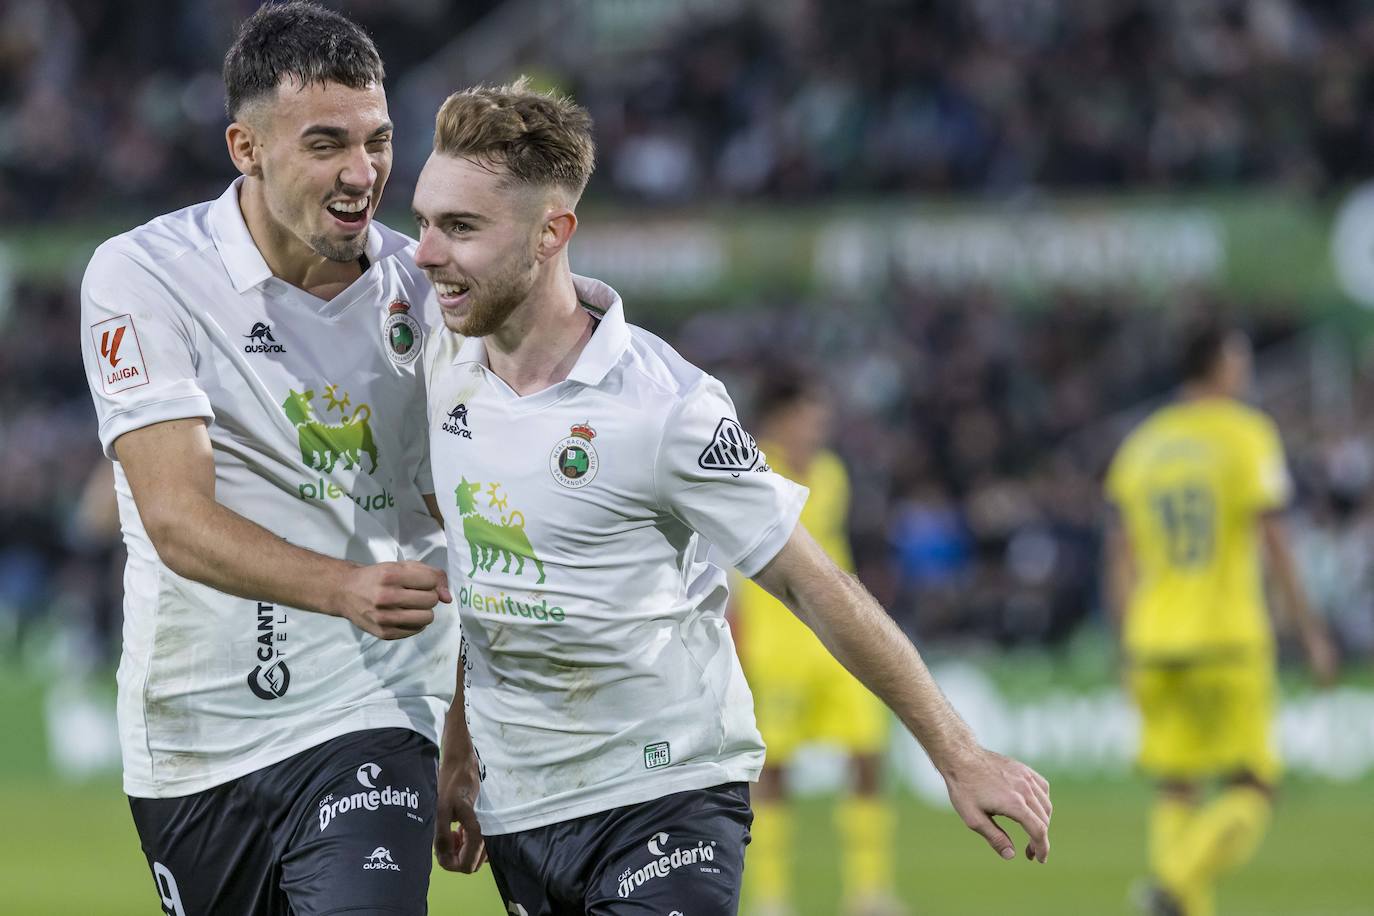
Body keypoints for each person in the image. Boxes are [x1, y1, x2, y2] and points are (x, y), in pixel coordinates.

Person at [414, 79, 1051, 916]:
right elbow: (475, 581)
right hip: (522, 805)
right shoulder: (441, 369)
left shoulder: (668, 407)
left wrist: (959, 753)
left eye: (460, 228)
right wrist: (459, 751)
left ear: (551, 233)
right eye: (423, 220)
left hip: (665, 796)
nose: (426, 252)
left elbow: (810, 581)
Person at [78, 4, 459, 913]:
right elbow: (175, 518)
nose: (361, 174)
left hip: (375, 707)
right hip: (196, 733)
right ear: (245, 148)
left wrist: (466, 723)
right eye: (325, 144)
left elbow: (475, 510)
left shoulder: (431, 293)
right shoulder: (145, 276)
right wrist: (344, 588)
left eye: (377, 141)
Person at [1105, 320, 1338, 916]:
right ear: (1221, 365)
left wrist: (1126, 642)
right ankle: (1170, 888)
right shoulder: (1246, 435)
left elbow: (1120, 556)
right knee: (1255, 787)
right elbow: (1275, 541)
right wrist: (1309, 630)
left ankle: (1175, 895)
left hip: (1155, 637)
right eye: (1241, 357)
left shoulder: (1143, 444)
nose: (1248, 368)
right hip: (1227, 638)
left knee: (1177, 785)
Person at [730, 368, 901, 916]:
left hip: (838, 646)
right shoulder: (749, 469)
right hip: (776, 647)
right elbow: (732, 565)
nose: (818, 426)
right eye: (808, 415)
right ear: (779, 418)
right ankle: (772, 899)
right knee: (775, 770)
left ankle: (868, 893)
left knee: (869, 756)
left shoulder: (832, 473)